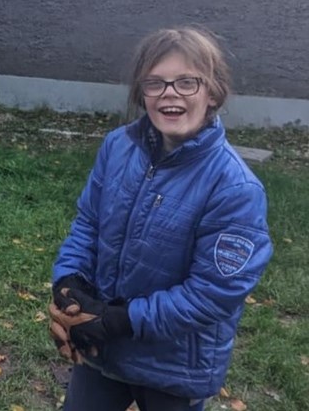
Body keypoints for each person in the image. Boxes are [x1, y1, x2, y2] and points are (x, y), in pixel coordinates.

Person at [48, 26, 273, 411]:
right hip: (102, 346)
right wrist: (70, 285)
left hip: (173, 366)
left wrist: (120, 320)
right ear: (142, 93)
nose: (170, 93)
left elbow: (212, 293)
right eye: (155, 83)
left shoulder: (235, 188)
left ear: (213, 92)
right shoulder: (117, 147)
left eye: (187, 82)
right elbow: (88, 225)